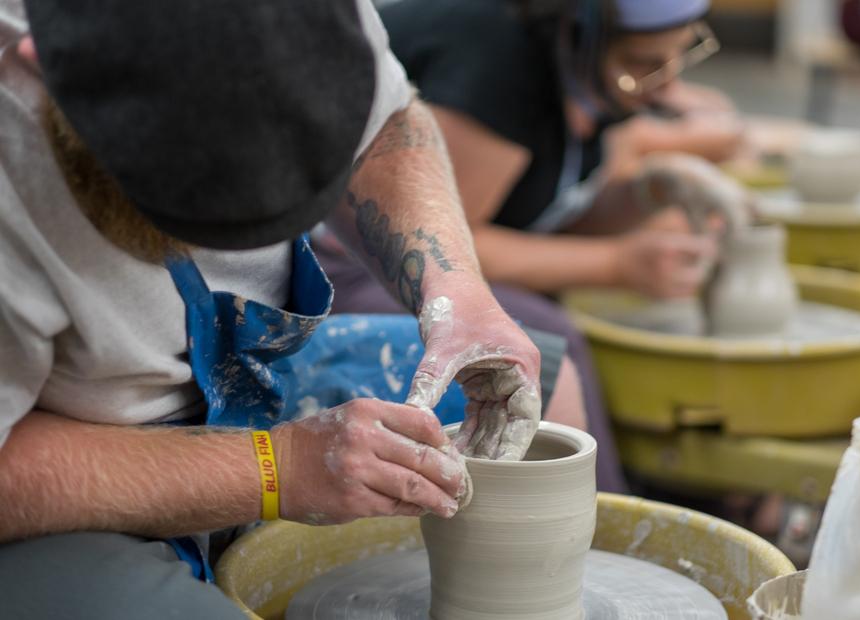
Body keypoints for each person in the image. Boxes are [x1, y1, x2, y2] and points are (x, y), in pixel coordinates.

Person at [0, 0, 586, 617]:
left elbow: (386, 125)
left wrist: (456, 294)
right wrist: (276, 467)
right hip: (70, 464)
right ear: (45, 67)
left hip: (255, 382)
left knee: (541, 390)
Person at [314, 0, 754, 493]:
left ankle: (663, 495)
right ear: (580, 30)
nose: (668, 88)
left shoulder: (593, 78)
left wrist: (649, 194)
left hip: (432, 263)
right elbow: (452, 247)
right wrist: (617, 265)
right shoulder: (496, 60)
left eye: (678, 56)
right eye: (644, 64)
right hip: (347, 267)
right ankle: (604, 522)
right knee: (548, 345)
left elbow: (551, 214)